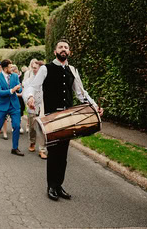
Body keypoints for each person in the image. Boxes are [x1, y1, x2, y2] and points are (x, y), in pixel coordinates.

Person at [23, 39, 104, 201]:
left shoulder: (73, 70)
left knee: (63, 155)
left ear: (69, 52)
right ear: (55, 51)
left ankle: (59, 186)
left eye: (66, 47)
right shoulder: (46, 69)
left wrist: (94, 105)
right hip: (51, 118)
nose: (63, 49)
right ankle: (51, 186)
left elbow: (81, 93)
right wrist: (30, 97)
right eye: (60, 47)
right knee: (53, 154)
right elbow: (32, 86)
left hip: (68, 119)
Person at [0, 59, 24, 156]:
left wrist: (20, 89)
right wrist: (12, 90)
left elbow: (19, 90)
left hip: (14, 105)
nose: (12, 68)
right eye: (10, 67)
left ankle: (15, 148)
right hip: (2, 105)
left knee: (16, 126)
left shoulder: (15, 76)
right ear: (5, 68)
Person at [22, 60, 47, 159]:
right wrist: (28, 100)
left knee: (42, 129)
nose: (34, 70)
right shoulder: (29, 80)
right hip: (32, 107)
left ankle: (42, 149)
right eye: (33, 68)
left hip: (44, 108)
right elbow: (25, 92)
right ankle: (32, 142)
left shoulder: (47, 80)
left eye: (35, 68)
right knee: (32, 128)